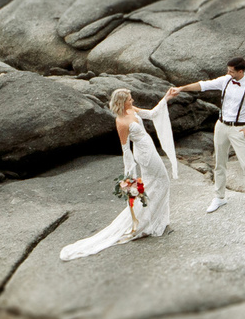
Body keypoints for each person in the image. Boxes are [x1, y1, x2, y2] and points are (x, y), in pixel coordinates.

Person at [59, 89, 175, 260]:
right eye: (129, 99)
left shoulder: (131, 110)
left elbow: (151, 113)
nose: (132, 99)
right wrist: (129, 177)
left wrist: (166, 97)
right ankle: (148, 224)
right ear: (122, 102)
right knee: (161, 182)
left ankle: (154, 222)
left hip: (149, 149)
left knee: (155, 185)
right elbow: (125, 150)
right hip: (144, 155)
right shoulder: (121, 121)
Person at [167, 58, 245, 214]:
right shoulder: (226, 80)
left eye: (231, 71)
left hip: (239, 129)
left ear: (240, 71)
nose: (228, 73)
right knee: (219, 163)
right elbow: (204, 85)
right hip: (221, 126)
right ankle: (219, 197)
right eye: (228, 70)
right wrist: (181, 88)